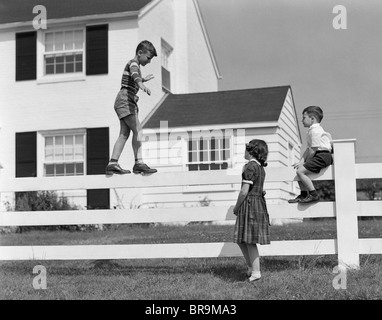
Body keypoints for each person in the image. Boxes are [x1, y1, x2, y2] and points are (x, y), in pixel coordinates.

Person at [105, 40, 158, 175]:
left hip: (125, 100)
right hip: (125, 99)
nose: (149, 61)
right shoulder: (133, 63)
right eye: (148, 58)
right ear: (140, 53)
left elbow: (134, 76)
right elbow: (134, 75)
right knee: (138, 130)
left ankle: (113, 163)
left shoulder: (134, 65)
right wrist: (141, 84)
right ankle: (138, 162)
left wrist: (143, 79)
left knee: (124, 134)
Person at [233, 139, 271, 282]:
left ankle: (256, 272)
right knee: (242, 239)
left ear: (251, 151)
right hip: (256, 203)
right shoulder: (260, 167)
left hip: (250, 204)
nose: (244, 151)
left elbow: (244, 191)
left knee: (249, 240)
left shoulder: (250, 167)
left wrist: (236, 207)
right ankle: (250, 267)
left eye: (246, 149)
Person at [288, 106, 333, 204]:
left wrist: (306, 162)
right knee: (299, 169)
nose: (302, 120)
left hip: (323, 156)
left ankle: (313, 194)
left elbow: (313, 150)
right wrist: (301, 161)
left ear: (312, 119)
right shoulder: (311, 131)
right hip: (318, 154)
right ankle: (303, 194)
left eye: (304, 118)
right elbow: (308, 149)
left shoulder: (315, 131)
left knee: (300, 171)